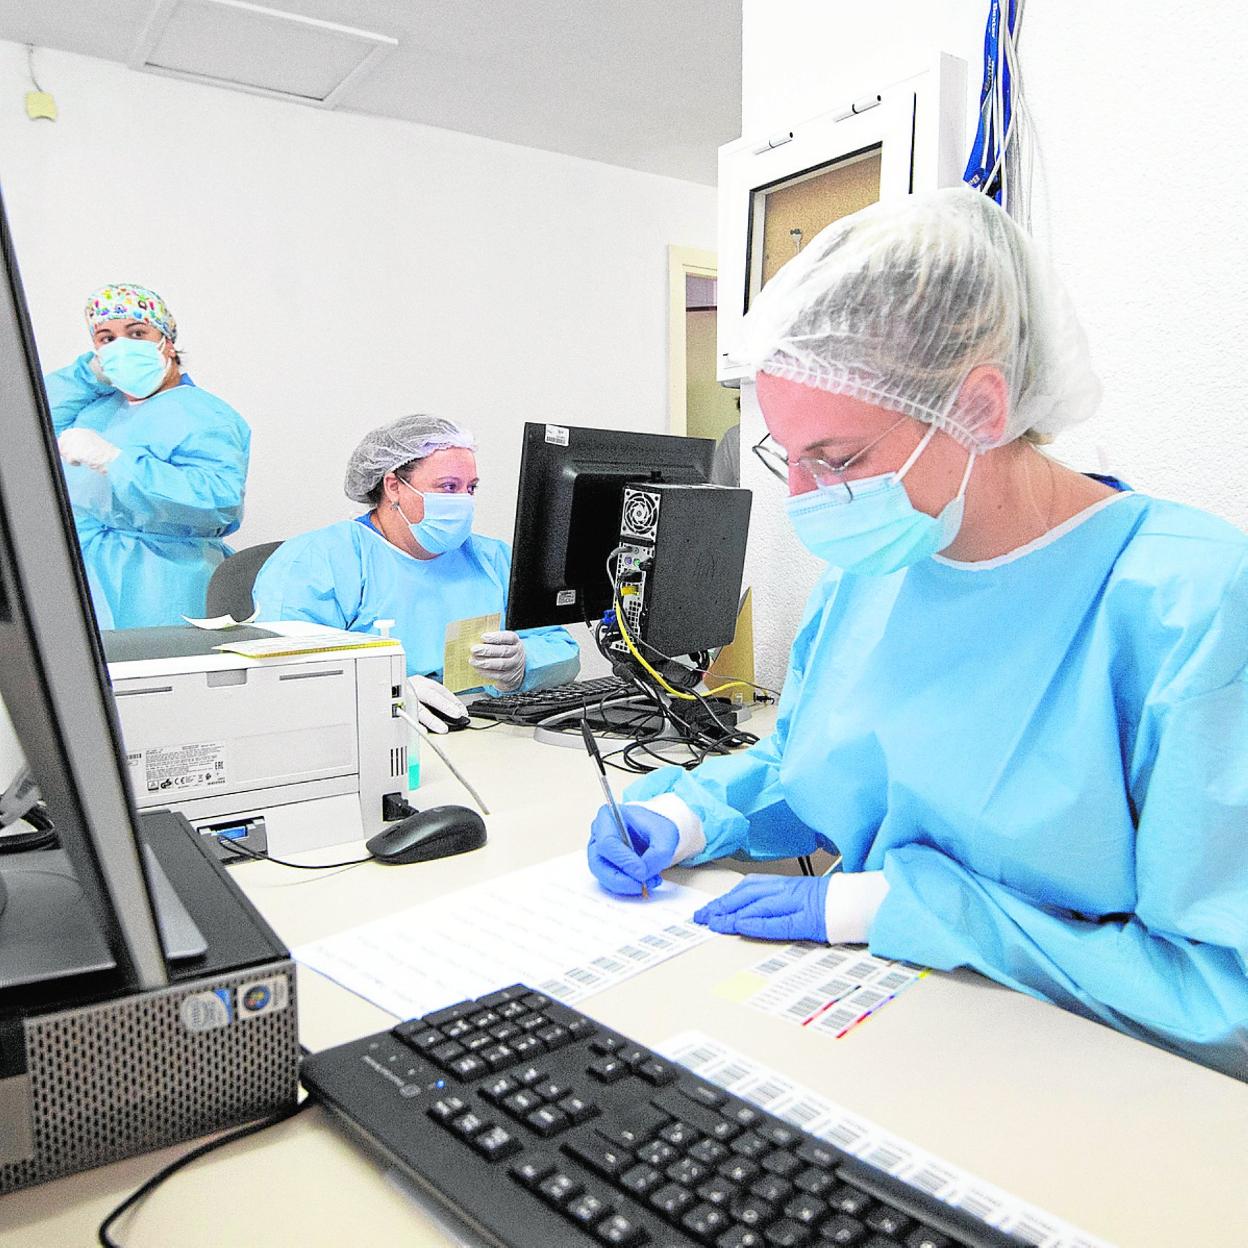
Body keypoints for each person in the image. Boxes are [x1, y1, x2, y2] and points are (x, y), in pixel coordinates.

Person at [587, 187, 1248, 1079]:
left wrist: (907, 908)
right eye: (790, 456)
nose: (809, 502)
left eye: (841, 459)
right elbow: (818, 759)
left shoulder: (1193, 603)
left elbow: (1219, 993)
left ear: (979, 406)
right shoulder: (877, 567)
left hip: (1082, 1078)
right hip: (877, 1026)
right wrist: (692, 814)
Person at [251, 415, 581, 732]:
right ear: (394, 486)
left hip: (483, 730)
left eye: (471, 488)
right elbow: (283, 675)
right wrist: (383, 694)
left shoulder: (491, 559)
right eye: (449, 487)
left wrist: (524, 665)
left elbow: (562, 648)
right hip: (368, 740)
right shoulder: (316, 562)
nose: (464, 501)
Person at [44, 283, 250, 629]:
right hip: (84, 576)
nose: (122, 346)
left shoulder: (204, 415)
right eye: (107, 338)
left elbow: (218, 500)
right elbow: (27, 418)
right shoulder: (96, 409)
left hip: (162, 583)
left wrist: (117, 463)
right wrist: (87, 375)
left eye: (137, 333)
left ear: (166, 342)